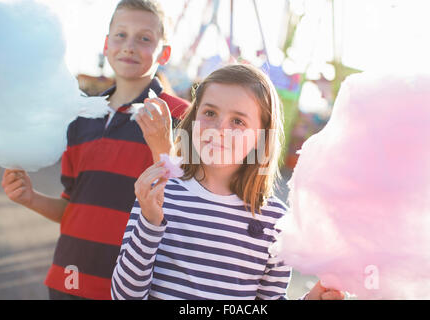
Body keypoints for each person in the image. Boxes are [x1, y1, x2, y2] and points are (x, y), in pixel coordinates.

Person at [0, 0, 189, 300]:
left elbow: (190, 208)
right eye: (120, 35)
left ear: (164, 53)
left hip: (132, 288)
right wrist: (30, 198)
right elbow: (72, 209)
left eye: (144, 38)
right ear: (105, 44)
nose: (129, 46)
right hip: (68, 279)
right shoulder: (80, 117)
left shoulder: (181, 118)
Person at [111, 64, 344, 300]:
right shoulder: (161, 194)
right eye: (210, 113)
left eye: (238, 121)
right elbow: (124, 295)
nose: (219, 129)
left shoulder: (276, 221)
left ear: (260, 137)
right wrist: (150, 222)